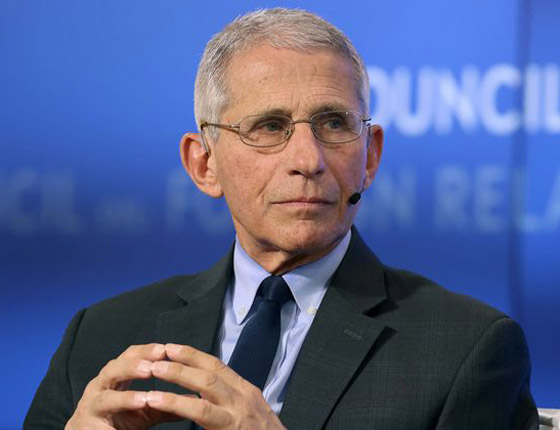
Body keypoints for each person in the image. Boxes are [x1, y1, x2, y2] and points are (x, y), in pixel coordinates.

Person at [25, 8, 538, 430]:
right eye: (270, 127)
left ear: (371, 155)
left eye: (333, 123)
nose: (308, 159)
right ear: (204, 164)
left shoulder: (466, 349)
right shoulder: (100, 338)